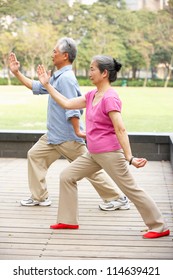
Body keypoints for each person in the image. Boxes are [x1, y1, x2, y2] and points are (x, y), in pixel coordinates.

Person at [36, 55, 170, 239]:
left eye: (92, 69)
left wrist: (129, 157)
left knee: (131, 189)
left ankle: (159, 226)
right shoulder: (92, 95)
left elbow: (120, 128)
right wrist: (48, 85)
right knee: (67, 176)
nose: (89, 72)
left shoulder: (110, 97)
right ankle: (68, 220)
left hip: (110, 154)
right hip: (93, 153)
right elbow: (67, 103)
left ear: (104, 73)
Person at [8, 37, 129, 210]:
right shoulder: (57, 77)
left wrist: (77, 131)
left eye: (55, 51)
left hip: (68, 137)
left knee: (91, 169)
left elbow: (72, 107)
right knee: (35, 155)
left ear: (65, 56)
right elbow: (36, 86)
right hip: (53, 136)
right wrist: (16, 72)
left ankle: (118, 198)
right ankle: (39, 197)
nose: (52, 54)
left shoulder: (66, 79)